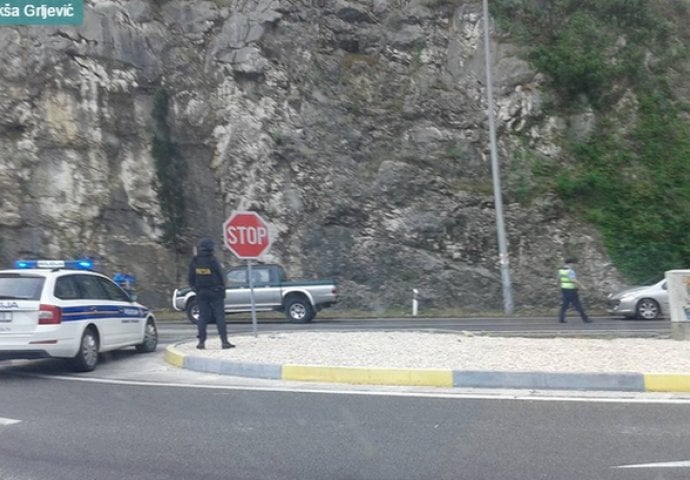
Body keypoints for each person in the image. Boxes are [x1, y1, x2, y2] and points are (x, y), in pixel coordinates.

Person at [188, 238, 234, 349]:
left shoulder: (195, 261)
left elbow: (190, 278)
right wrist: (222, 289)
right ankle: (224, 341)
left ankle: (201, 342)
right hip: (215, 291)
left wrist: (196, 289)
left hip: (201, 292)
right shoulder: (213, 260)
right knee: (220, 317)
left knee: (202, 317)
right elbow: (220, 275)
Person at [558, 257, 592, 324]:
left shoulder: (560, 271)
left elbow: (559, 279)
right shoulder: (570, 271)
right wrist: (582, 286)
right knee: (577, 305)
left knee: (565, 305)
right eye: (573, 264)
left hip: (564, 289)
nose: (574, 265)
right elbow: (574, 280)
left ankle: (561, 318)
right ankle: (585, 319)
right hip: (571, 290)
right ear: (570, 263)